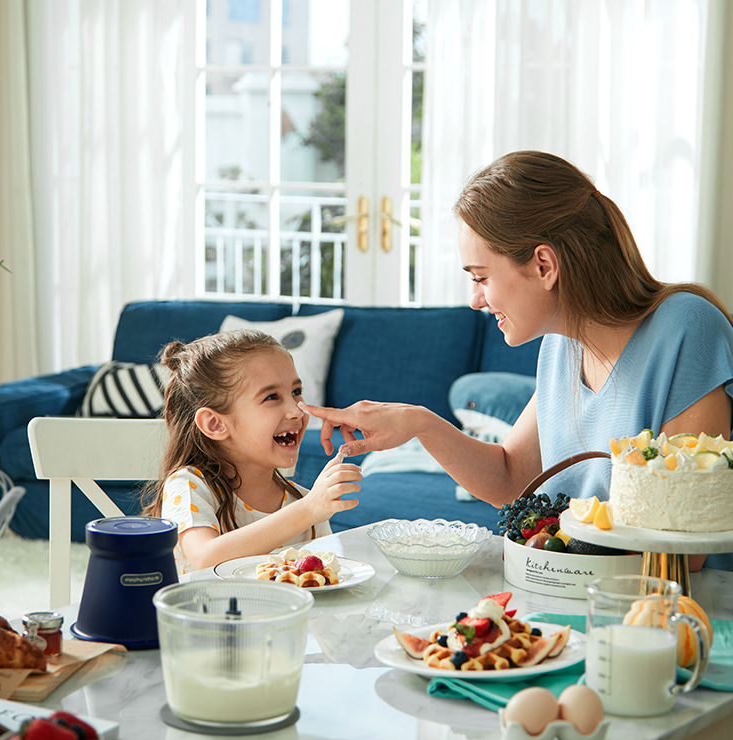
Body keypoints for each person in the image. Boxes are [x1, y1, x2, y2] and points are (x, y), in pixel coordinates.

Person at [299, 150, 733, 571]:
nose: (475, 300)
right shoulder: (562, 346)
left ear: (544, 264)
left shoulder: (687, 330)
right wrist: (418, 423)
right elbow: (512, 480)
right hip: (566, 592)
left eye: (481, 277)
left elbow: (682, 547)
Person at [143, 329, 362, 575]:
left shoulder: (303, 501)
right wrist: (309, 510)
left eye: (296, 392)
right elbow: (205, 557)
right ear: (216, 424)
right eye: (271, 397)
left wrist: (311, 508)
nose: (297, 411)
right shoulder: (189, 485)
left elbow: (324, 577)